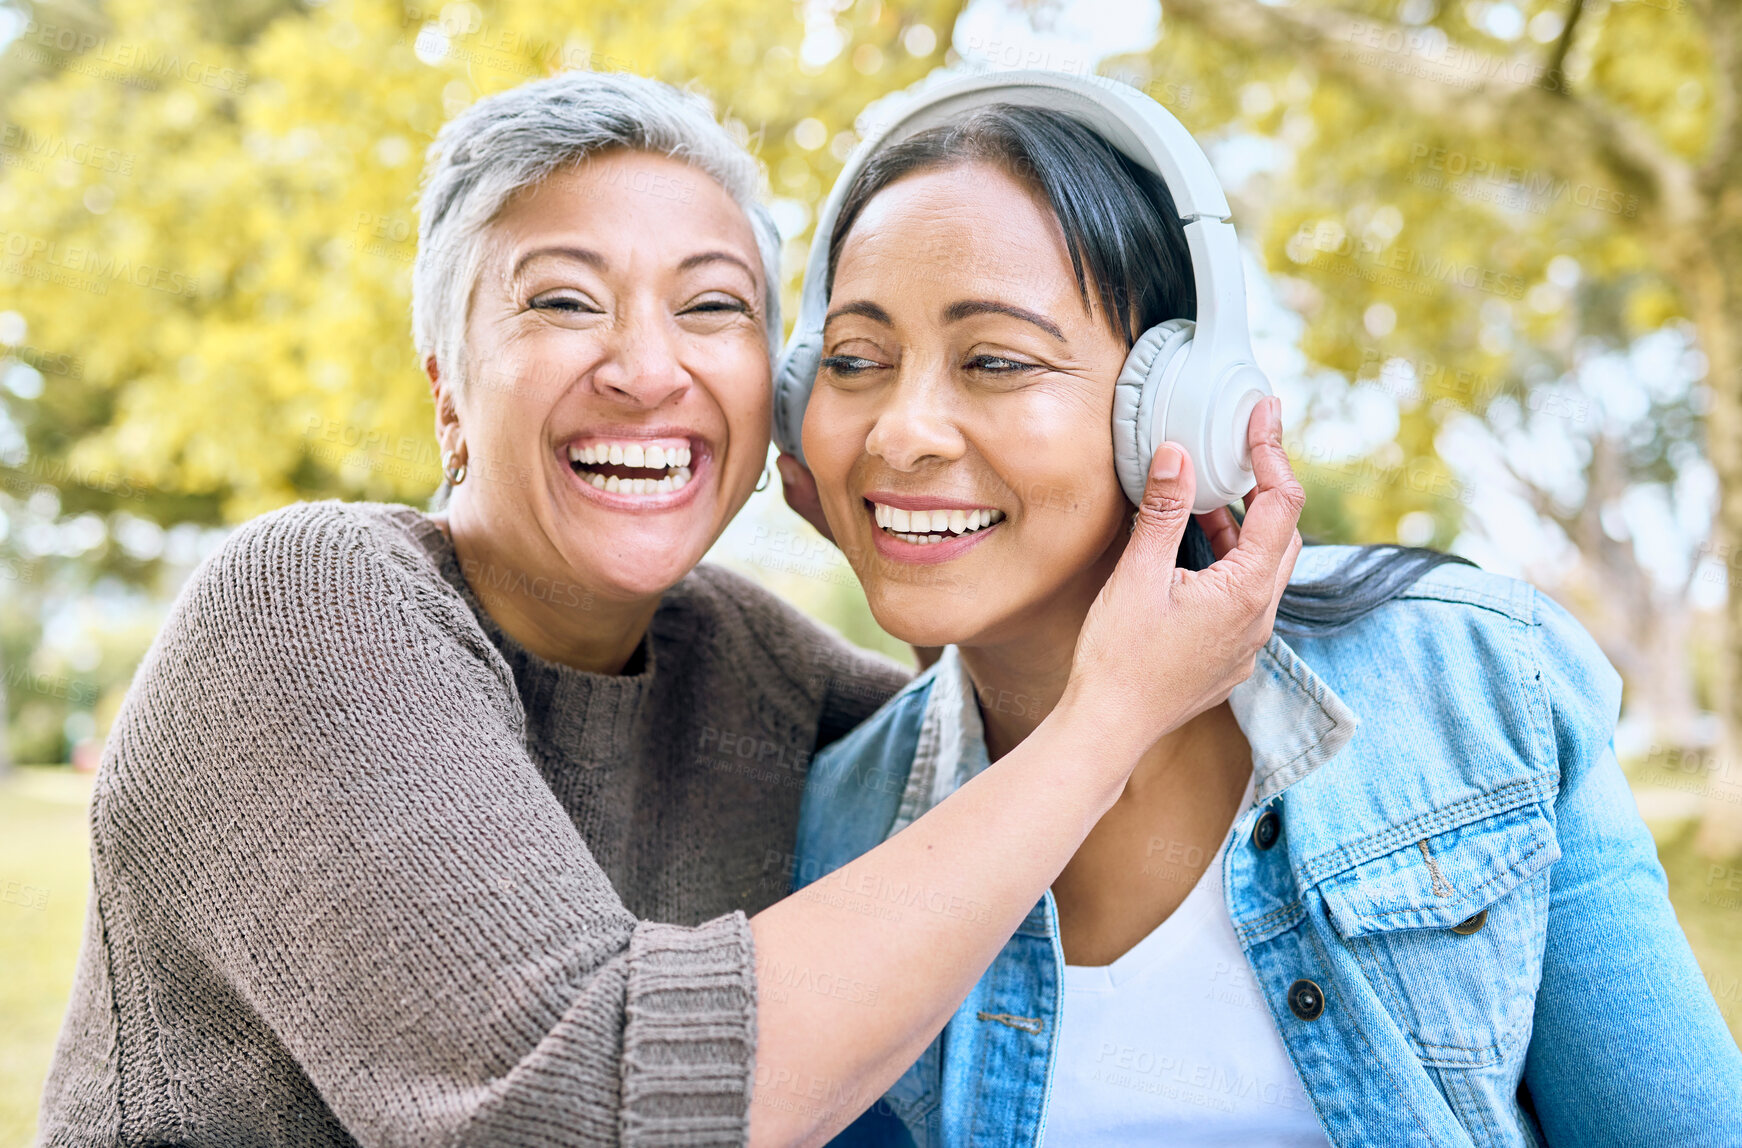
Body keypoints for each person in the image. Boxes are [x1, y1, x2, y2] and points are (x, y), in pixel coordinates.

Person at [36, 71, 1306, 1147]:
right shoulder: (308, 607)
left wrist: (920, 542)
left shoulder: (745, 660)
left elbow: (956, 772)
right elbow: (594, 1098)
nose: (648, 370)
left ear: (776, 398)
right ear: (447, 393)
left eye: (712, 308)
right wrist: (1115, 711)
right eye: (561, 300)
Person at [784, 80, 1742, 1146]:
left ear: (1178, 400)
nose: (900, 433)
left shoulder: (1468, 680)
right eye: (853, 362)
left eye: (995, 360)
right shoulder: (838, 821)